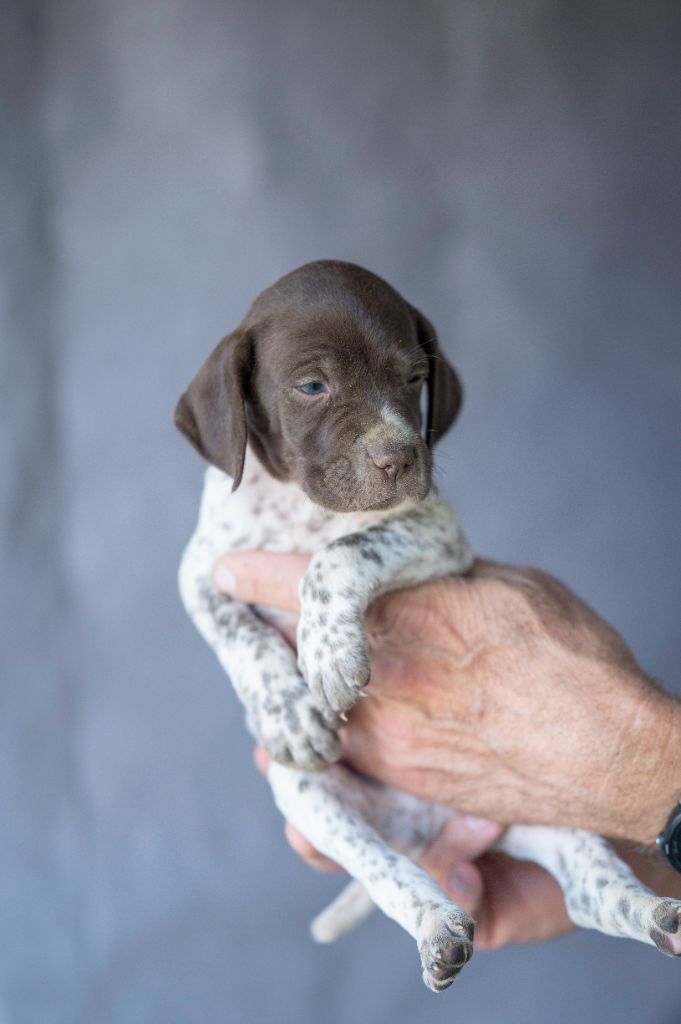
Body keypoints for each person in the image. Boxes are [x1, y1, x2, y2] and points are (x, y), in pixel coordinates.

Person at [212, 552, 681, 950]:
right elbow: (204, 589)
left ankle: (605, 893)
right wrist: (654, 853)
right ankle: (421, 908)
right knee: (292, 778)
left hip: (439, 762)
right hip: (369, 780)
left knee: (570, 849)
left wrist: (645, 769)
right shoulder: (226, 532)